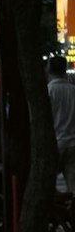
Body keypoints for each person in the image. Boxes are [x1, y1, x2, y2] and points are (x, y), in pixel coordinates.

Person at [47, 56, 75, 192]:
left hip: (54, 143)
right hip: (72, 143)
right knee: (72, 185)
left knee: (49, 183)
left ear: (48, 69)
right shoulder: (73, 90)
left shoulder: (48, 91)